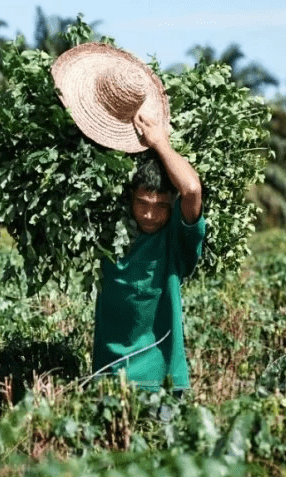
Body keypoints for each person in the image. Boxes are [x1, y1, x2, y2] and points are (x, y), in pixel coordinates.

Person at [50, 42, 205, 396]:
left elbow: (192, 189)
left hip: (162, 383)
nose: (150, 213)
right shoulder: (106, 224)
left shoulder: (175, 242)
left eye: (161, 206)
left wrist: (160, 143)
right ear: (128, 199)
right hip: (107, 379)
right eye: (142, 203)